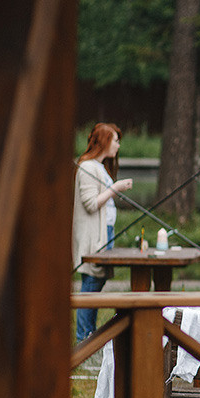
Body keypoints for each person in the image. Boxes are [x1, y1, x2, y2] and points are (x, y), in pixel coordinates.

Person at [72, 123, 132, 343]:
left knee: (96, 286)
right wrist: (115, 188)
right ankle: (83, 342)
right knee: (90, 287)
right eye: (115, 140)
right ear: (105, 141)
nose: (118, 145)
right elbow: (90, 204)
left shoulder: (99, 167)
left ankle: (88, 340)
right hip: (93, 236)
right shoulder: (88, 167)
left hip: (104, 233)